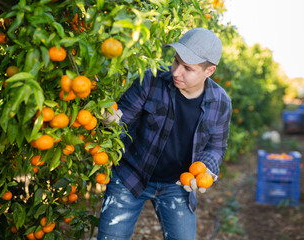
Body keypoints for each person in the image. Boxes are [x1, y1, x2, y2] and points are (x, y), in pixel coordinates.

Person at [98, 28, 232, 240]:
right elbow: (123, 118)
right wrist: (111, 121)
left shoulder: (221, 102)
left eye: (187, 68)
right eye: (176, 61)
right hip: (131, 174)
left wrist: (205, 169)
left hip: (177, 184)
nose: (176, 71)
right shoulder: (151, 79)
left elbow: (216, 147)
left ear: (209, 71)